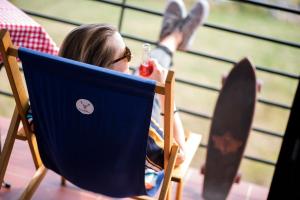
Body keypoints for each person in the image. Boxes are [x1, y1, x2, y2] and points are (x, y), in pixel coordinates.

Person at [28, 0, 209, 190]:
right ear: (105, 70)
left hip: (65, 166)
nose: (129, 58)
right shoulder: (137, 123)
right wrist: (165, 95)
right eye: (127, 53)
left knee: (143, 72)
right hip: (117, 182)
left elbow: (32, 119)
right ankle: (175, 36)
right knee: (148, 78)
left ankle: (172, 37)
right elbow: (178, 156)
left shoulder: (49, 104)